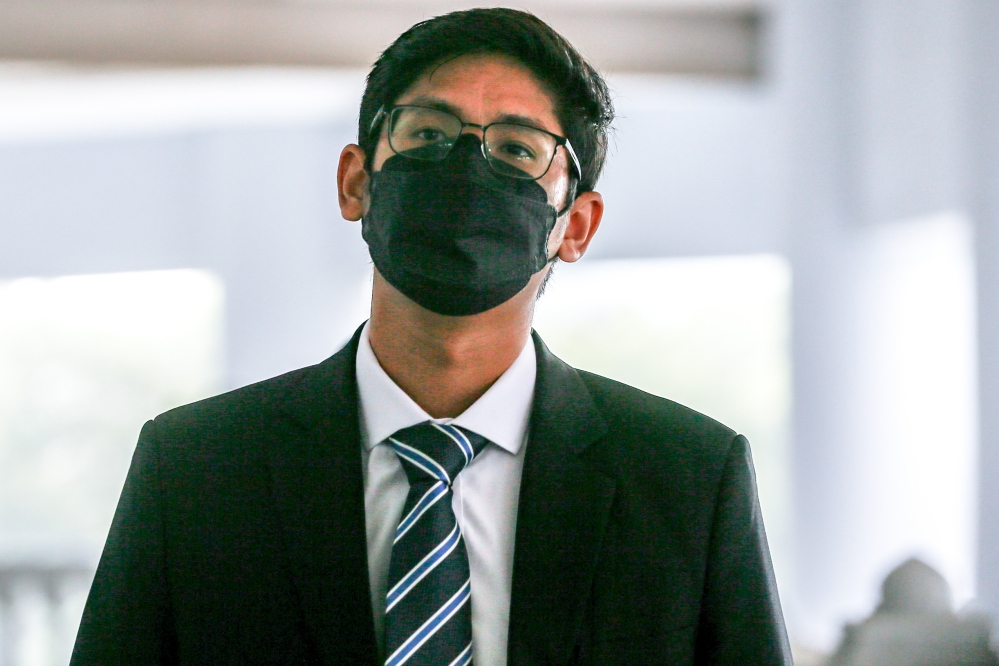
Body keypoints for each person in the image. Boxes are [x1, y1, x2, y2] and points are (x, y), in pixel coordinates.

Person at [70, 8, 790, 665]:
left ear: (576, 225)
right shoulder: (195, 470)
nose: (465, 168)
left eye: (516, 150)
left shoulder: (689, 477)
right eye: (428, 135)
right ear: (356, 180)